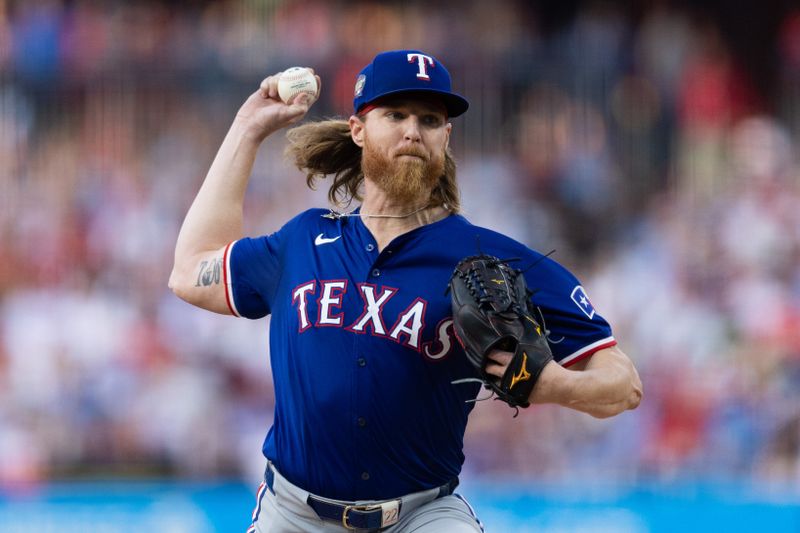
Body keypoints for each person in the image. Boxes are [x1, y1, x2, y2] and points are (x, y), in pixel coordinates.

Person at [169, 50, 643, 533]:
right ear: (358, 129)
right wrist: (247, 129)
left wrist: (559, 386)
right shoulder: (303, 241)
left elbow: (623, 384)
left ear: (446, 136)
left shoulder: (489, 258)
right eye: (395, 114)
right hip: (294, 515)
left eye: (430, 119)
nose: (413, 130)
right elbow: (189, 271)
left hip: (421, 516)